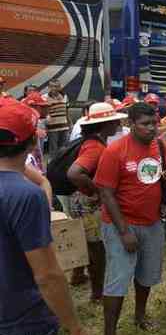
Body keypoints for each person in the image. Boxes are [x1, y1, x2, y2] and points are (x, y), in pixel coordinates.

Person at [0, 99, 91, 335]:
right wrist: (74, 327)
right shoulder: (25, 196)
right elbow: (48, 276)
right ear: (31, 145)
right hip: (21, 324)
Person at [94, 102, 166, 335]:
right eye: (146, 124)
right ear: (130, 124)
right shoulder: (115, 151)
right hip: (122, 225)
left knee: (147, 273)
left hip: (152, 223)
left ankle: (140, 315)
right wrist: (124, 231)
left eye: (154, 123)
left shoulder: (161, 147)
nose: (152, 129)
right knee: (117, 279)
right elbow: (105, 193)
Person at [67, 103, 126, 303]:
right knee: (97, 249)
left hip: (81, 200)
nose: (118, 122)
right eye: (114, 120)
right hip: (88, 203)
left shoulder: (93, 141)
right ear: (105, 124)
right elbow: (75, 173)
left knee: (87, 242)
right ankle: (98, 293)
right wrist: (96, 191)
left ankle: (78, 277)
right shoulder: (95, 146)